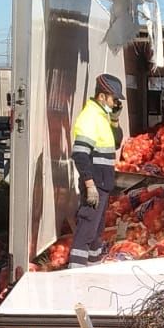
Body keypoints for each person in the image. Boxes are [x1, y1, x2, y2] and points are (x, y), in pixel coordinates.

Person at [69, 73, 124, 268]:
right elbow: (80, 154)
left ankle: (93, 264)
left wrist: (115, 120)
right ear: (102, 96)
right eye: (114, 99)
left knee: (96, 228)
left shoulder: (103, 117)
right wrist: (89, 184)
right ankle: (75, 270)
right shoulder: (89, 117)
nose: (115, 103)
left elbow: (116, 143)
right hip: (95, 183)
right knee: (87, 227)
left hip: (103, 183)